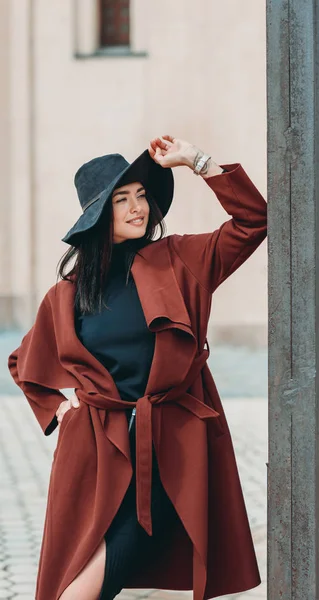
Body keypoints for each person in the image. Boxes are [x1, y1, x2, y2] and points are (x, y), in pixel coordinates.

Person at [8, 135, 268, 600]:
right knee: (76, 573)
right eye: (121, 200)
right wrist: (60, 412)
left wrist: (195, 161)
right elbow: (22, 362)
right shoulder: (68, 294)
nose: (137, 208)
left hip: (170, 444)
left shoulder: (179, 260)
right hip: (95, 454)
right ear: (96, 216)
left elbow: (253, 221)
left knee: (88, 582)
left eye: (141, 195)